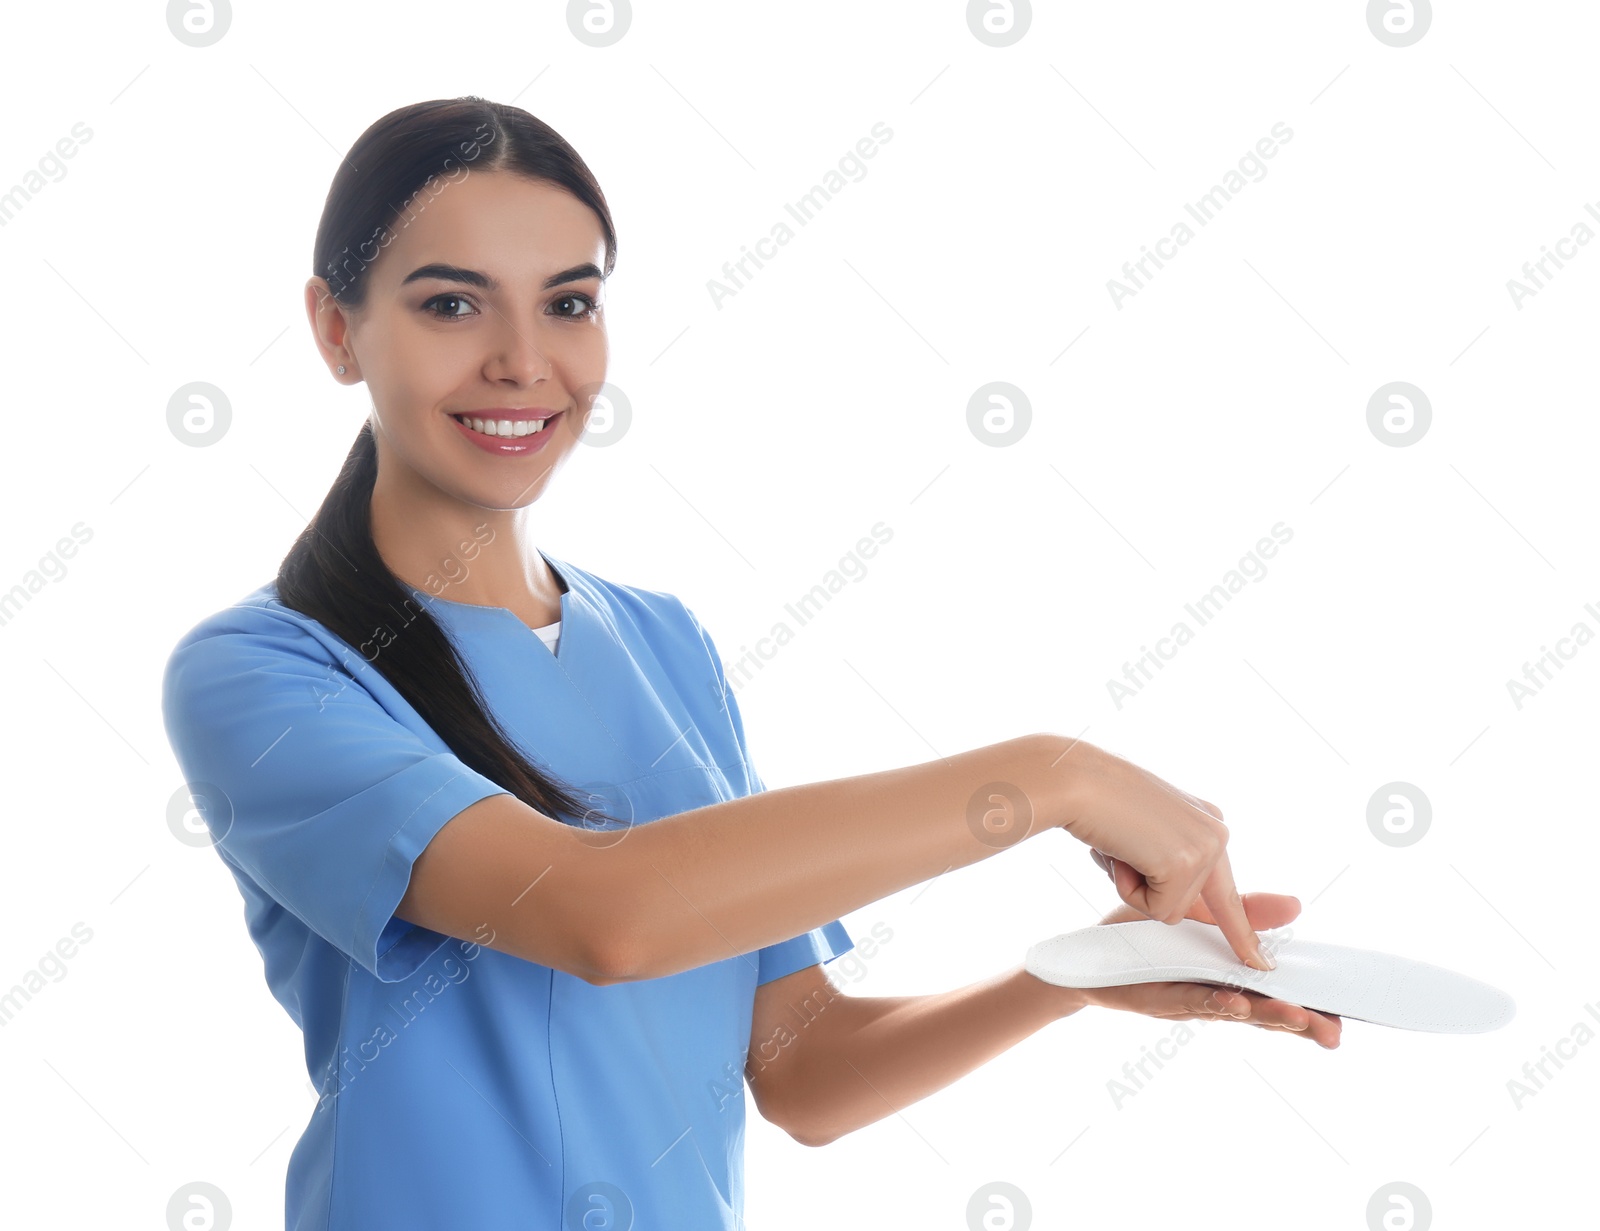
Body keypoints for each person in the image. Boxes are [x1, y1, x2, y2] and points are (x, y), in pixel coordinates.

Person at [160, 96, 1339, 1231]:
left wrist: (1082, 971)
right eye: (452, 305)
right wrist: (1048, 776)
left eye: (568, 303)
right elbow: (601, 913)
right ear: (334, 328)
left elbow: (803, 1069)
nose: (524, 362)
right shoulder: (263, 675)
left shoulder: (663, 642)